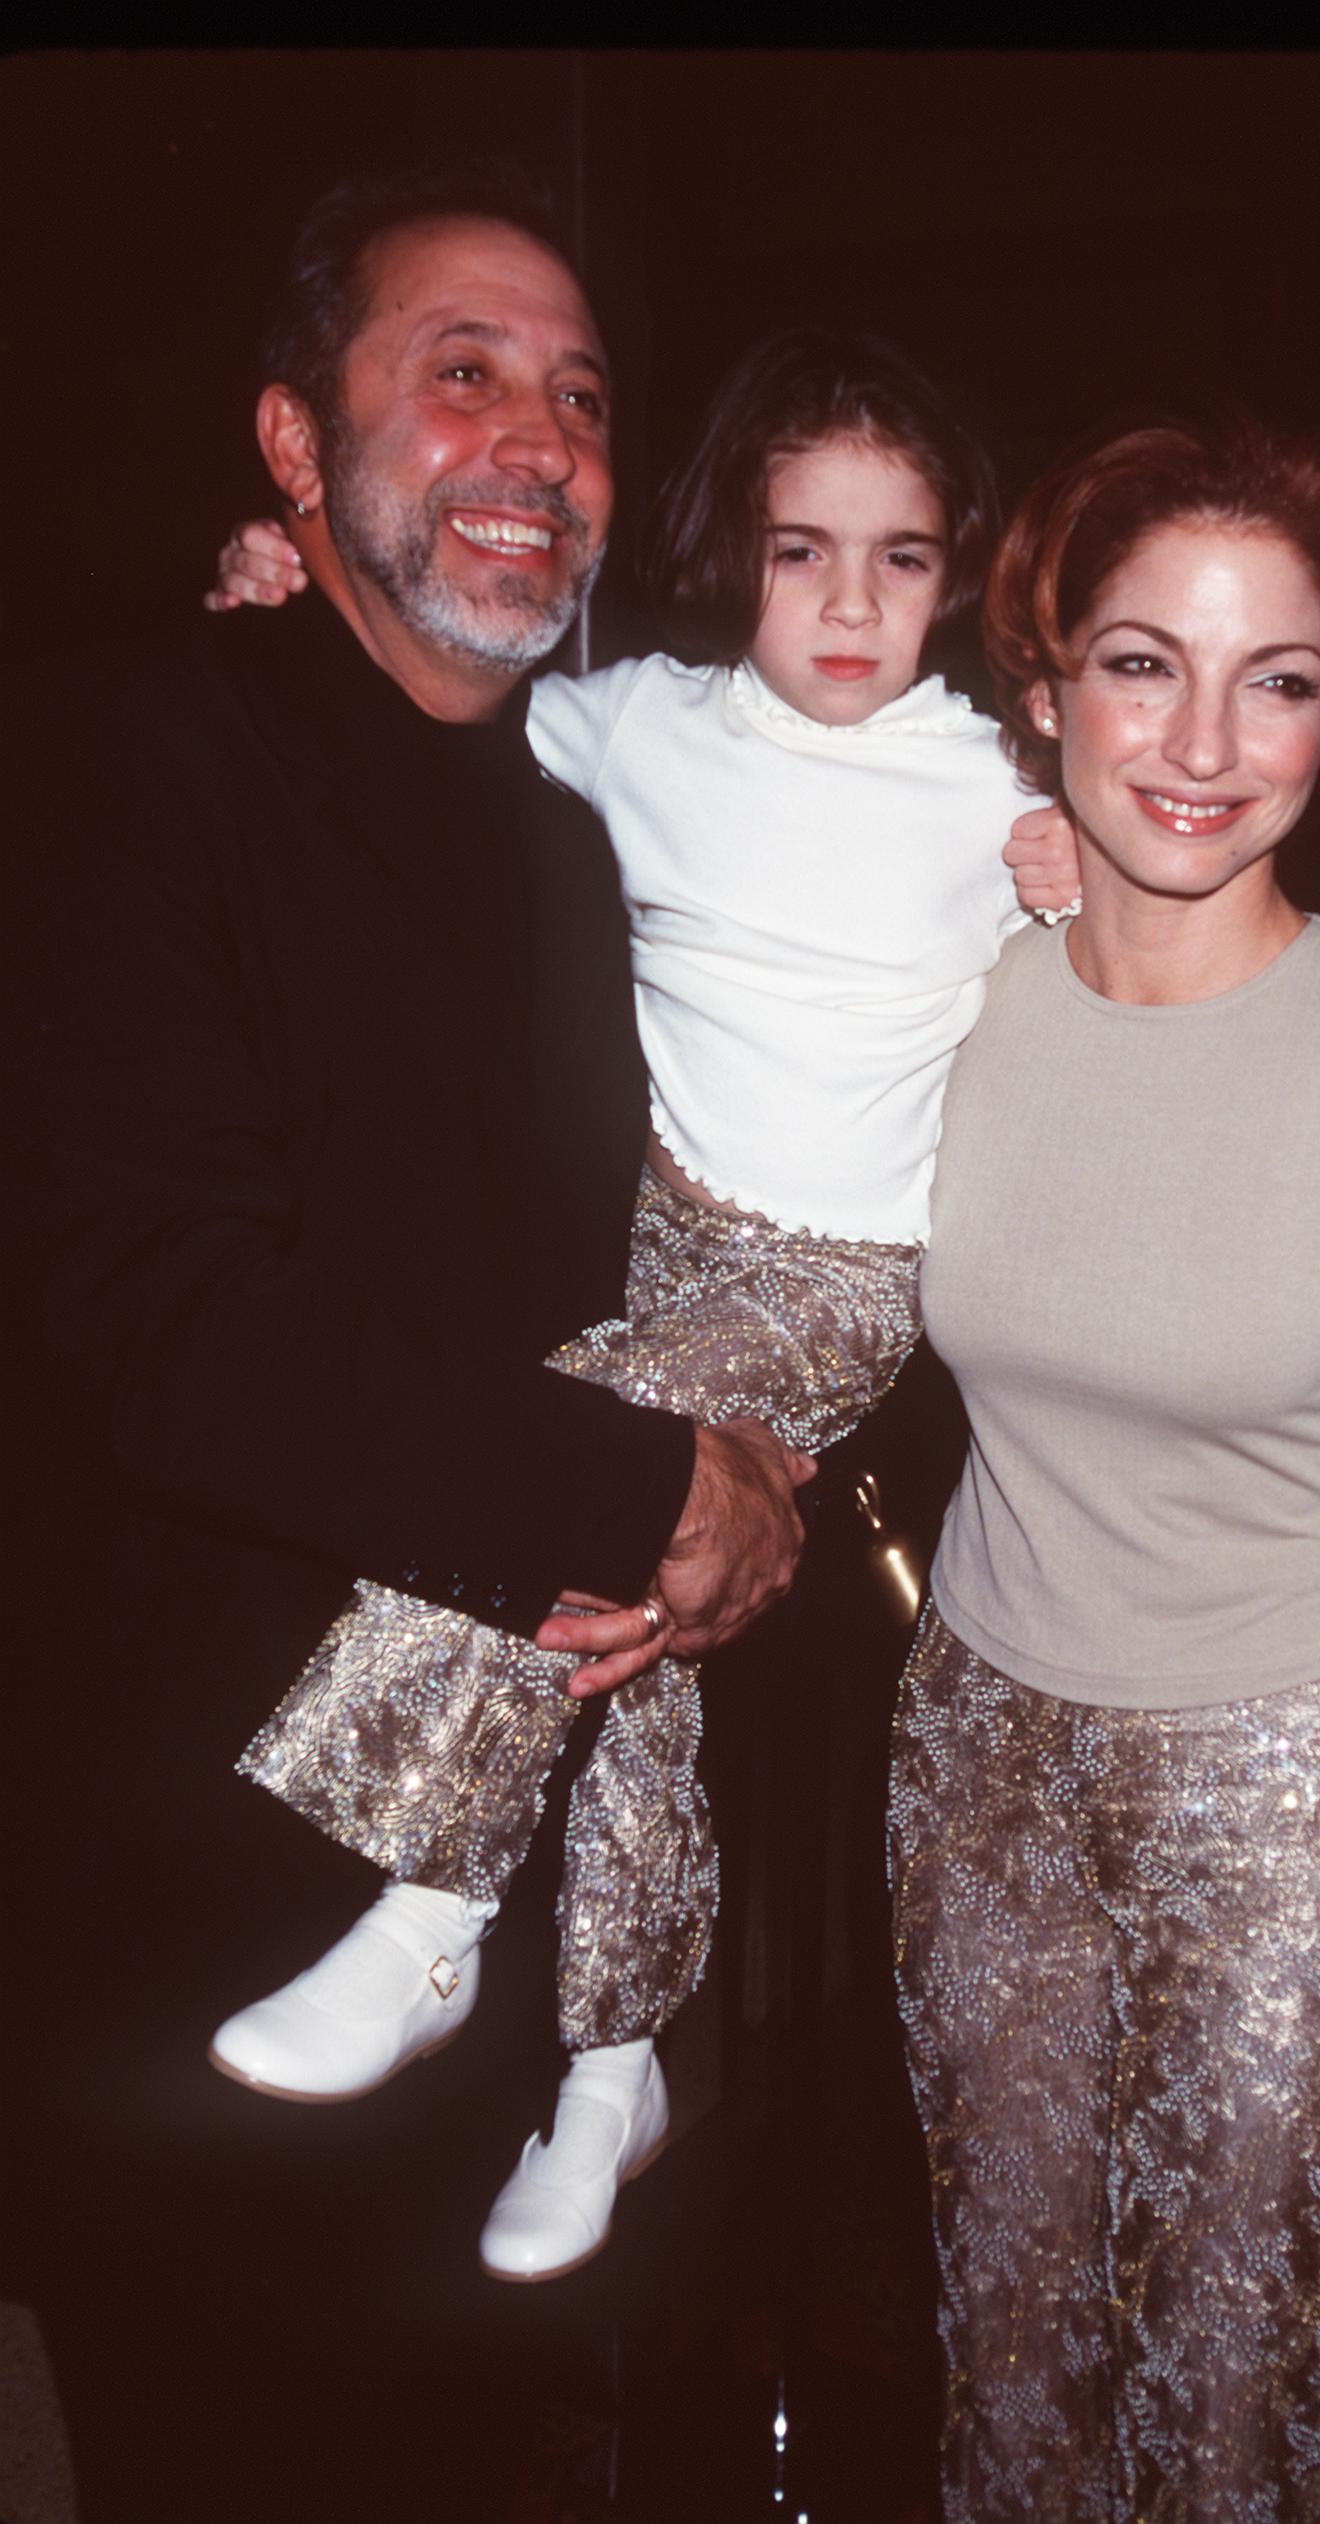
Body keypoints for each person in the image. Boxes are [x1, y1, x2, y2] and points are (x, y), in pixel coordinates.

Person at [2, 164, 815, 2520]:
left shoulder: (587, 821)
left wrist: (753, 1472)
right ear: (291, 448)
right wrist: (645, 1491)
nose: (538, 439)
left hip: (513, 1898)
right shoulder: (132, 758)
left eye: (577, 394)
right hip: (203, 1908)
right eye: (459, 371)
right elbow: (163, 1324)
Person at [194, 325, 1081, 2282]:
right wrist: (295, 582)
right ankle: (610, 2060)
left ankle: (431, 1904)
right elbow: (416, 693)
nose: (851, 602)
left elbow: (1160, 904)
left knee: (573, 1480)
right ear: (731, 553)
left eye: (903, 556)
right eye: (802, 549)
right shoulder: (637, 720)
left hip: (842, 1280)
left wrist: (1074, 857)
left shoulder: (994, 788)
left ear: (958, 574)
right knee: (646, 1623)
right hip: (655, 1231)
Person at [886, 411, 1320, 2521]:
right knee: (1000, 2353)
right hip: (978, 1762)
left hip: (1290, 1795)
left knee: (1222, 2394)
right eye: (1140, 662)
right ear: (1043, 687)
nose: (1203, 738)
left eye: (1275, 677)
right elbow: (678, 797)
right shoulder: (943, 994)